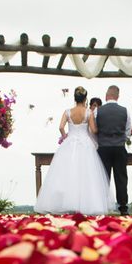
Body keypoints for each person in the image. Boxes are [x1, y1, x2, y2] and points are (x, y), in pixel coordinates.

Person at [34, 86, 110, 215]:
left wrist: (66, 138)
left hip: (70, 142)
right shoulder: (88, 112)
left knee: (67, 173)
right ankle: (86, 204)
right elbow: (93, 130)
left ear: (75, 98)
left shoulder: (68, 112)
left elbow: (61, 127)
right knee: (86, 174)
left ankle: (66, 203)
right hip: (85, 144)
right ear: (85, 98)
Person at [94, 84, 132, 214]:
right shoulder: (125, 111)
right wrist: (121, 140)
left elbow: (93, 130)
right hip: (119, 147)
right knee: (121, 177)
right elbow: (128, 131)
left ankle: (102, 206)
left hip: (104, 146)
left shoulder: (97, 111)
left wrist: (100, 140)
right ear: (118, 96)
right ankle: (123, 208)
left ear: (106, 95)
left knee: (103, 177)